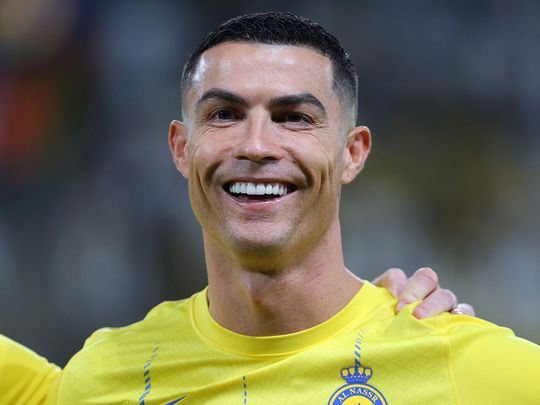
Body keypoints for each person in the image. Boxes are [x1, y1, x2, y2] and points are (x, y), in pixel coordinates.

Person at [3, 11, 538, 404]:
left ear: (352, 153)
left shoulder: (464, 368)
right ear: (180, 149)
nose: (256, 145)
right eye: (224, 114)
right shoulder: (101, 379)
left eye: (294, 118)